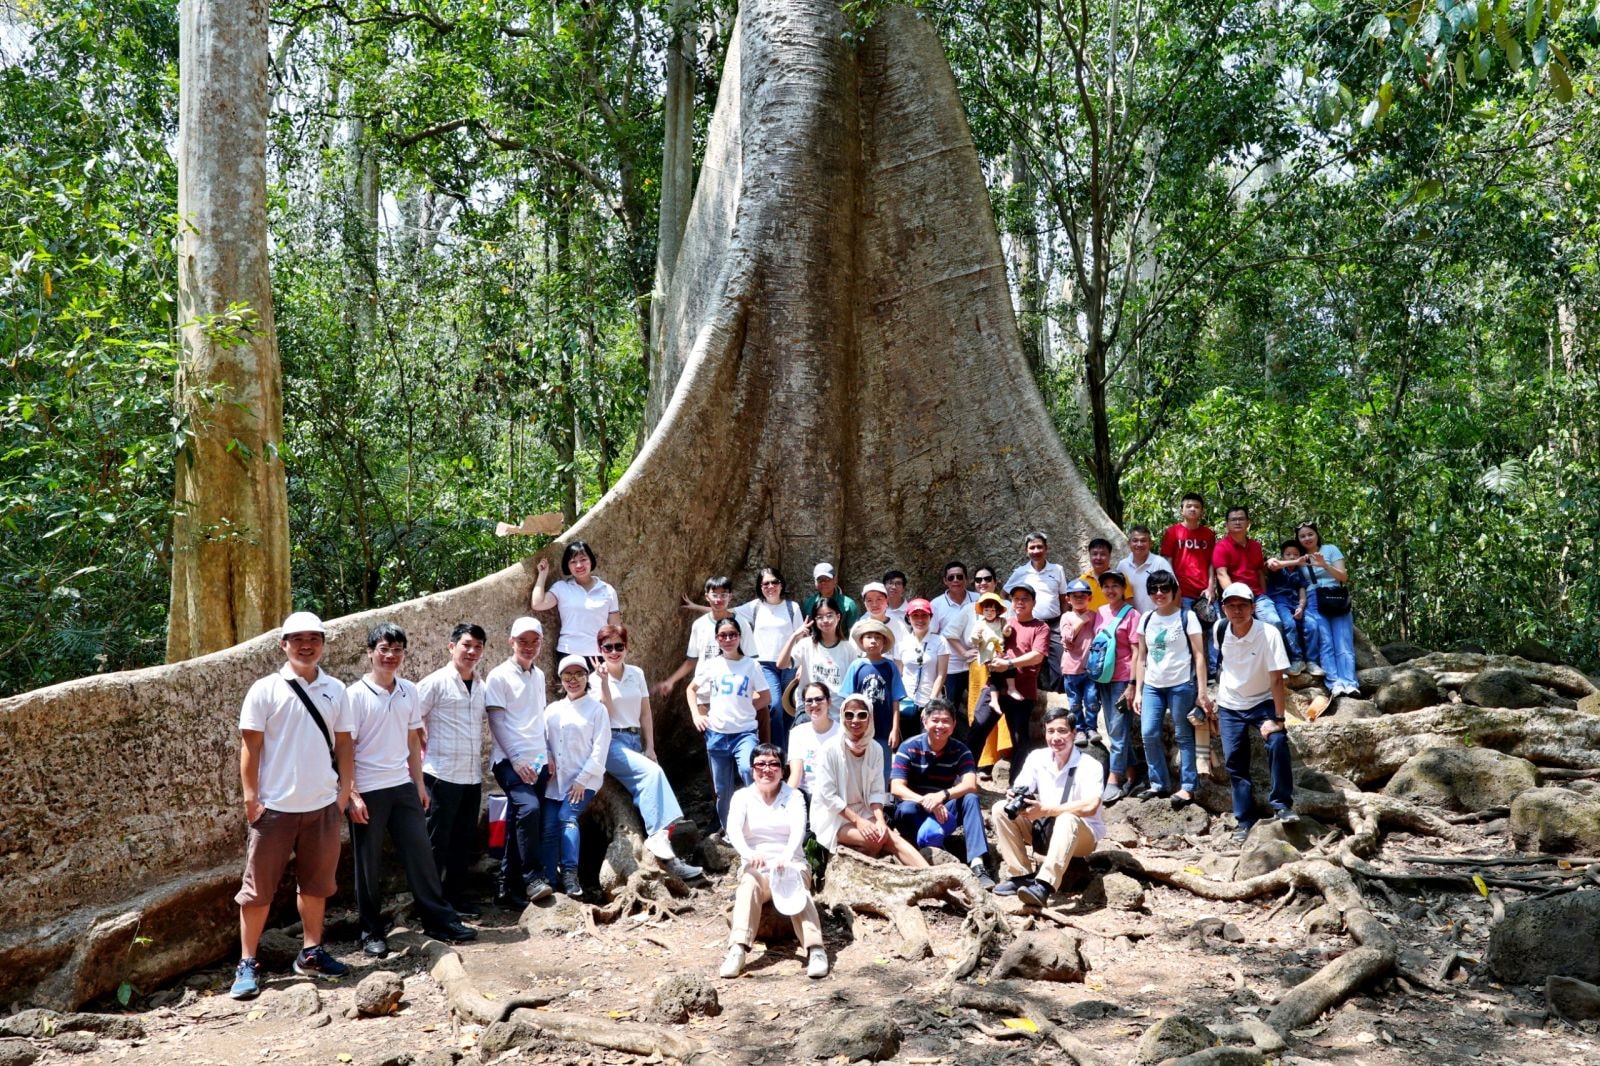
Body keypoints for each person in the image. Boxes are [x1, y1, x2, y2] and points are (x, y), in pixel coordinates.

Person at [231, 612, 354, 1000]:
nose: (306, 645)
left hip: (321, 806)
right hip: (275, 808)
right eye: (296, 638)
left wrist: (344, 791)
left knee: (317, 885)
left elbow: (345, 743)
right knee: (258, 890)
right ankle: (247, 962)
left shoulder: (336, 689)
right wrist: (251, 798)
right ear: (283, 644)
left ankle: (311, 951)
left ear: (322, 643)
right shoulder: (265, 689)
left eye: (313, 638)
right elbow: (250, 747)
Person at [349, 622, 477, 958]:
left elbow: (411, 741)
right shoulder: (355, 695)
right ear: (370, 653)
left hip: (402, 785)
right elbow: (343, 747)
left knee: (421, 854)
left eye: (397, 650)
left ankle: (437, 919)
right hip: (368, 788)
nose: (390, 656)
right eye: (384, 649)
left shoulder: (408, 691)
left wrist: (419, 785)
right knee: (368, 863)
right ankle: (370, 931)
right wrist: (350, 792)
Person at [590, 623, 703, 880]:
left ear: (627, 648)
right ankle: (658, 835)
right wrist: (605, 681)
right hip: (610, 742)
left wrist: (649, 746)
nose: (614, 651)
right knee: (652, 774)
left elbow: (645, 713)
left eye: (619, 646)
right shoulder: (595, 678)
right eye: (608, 647)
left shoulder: (636, 673)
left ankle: (670, 862)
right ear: (600, 649)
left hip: (632, 740)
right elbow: (604, 714)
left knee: (652, 782)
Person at [720, 744, 828, 979]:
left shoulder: (794, 796)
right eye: (760, 764)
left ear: (782, 769)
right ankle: (737, 949)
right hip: (757, 866)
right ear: (752, 769)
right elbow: (733, 830)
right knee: (748, 883)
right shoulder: (742, 797)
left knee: (794, 882)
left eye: (773, 764)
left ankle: (815, 949)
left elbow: (798, 830)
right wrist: (749, 854)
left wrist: (786, 857)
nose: (766, 769)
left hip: (791, 863)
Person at [991, 707, 1106, 909]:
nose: (1055, 737)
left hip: (1082, 835)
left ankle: (1044, 885)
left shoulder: (1090, 765)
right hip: (1043, 826)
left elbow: (1090, 805)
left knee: (1067, 818)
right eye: (1050, 731)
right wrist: (1015, 795)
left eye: (1062, 731)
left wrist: (1046, 810)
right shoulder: (1037, 757)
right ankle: (1021, 875)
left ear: (1073, 732)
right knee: (1001, 808)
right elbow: (1022, 786)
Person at [1212, 582, 1296, 842]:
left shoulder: (1268, 633)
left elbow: (1277, 680)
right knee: (1234, 761)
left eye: (1243, 605)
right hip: (1230, 703)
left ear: (1252, 607)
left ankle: (1282, 804)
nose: (1237, 610)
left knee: (1277, 742)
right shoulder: (1220, 628)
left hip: (1262, 701)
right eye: (1231, 605)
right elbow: (1223, 663)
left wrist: (1279, 719)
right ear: (1224, 607)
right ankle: (1244, 820)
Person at [483, 617, 556, 908]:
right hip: (509, 761)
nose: (528, 647)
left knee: (519, 820)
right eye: (522, 641)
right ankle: (533, 878)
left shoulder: (538, 675)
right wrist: (515, 759)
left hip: (538, 759)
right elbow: (496, 720)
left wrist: (548, 753)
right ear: (510, 641)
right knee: (529, 809)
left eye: (534, 641)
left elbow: (539, 718)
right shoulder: (499, 675)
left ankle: (505, 889)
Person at [418, 623, 489, 915]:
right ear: (451, 647)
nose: (472, 651)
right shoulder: (435, 682)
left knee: (463, 841)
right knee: (436, 843)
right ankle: (431, 905)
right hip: (440, 774)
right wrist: (421, 743)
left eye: (478, 647)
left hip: (471, 776)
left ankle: (456, 897)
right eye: (466, 645)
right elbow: (410, 717)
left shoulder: (482, 686)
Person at [811, 694, 927, 866]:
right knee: (876, 839)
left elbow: (876, 791)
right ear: (842, 717)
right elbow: (828, 796)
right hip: (834, 816)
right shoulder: (830, 749)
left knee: (888, 836)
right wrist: (859, 822)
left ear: (870, 717)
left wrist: (880, 820)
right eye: (849, 715)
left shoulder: (876, 749)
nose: (855, 720)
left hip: (864, 810)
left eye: (861, 715)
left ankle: (933, 876)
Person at [889, 699, 994, 887]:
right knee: (906, 809)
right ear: (925, 721)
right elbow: (896, 787)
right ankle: (919, 852)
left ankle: (978, 864)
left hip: (944, 809)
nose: (940, 725)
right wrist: (927, 801)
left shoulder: (961, 751)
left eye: (946, 721)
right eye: (935, 720)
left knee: (970, 799)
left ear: (954, 725)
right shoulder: (909, 747)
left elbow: (970, 784)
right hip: (915, 808)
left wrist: (942, 796)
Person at [1130, 572, 1208, 808]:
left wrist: (1202, 691)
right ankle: (1158, 783)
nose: (1159, 594)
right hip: (1153, 685)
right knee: (1149, 733)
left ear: (1174, 591)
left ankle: (1187, 787)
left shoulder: (1187, 616)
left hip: (1181, 684)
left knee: (1184, 735)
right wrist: (1139, 691)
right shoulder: (1145, 618)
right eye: (1154, 589)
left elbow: (1199, 655)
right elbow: (1142, 657)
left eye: (1164, 589)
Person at [692, 617, 771, 830]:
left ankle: (757, 821)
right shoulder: (712, 665)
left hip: (744, 733)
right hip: (717, 734)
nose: (728, 639)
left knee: (748, 770)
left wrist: (745, 707)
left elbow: (766, 697)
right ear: (717, 639)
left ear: (740, 637)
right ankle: (728, 829)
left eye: (732, 635)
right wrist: (696, 716)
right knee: (722, 788)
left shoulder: (751, 665)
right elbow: (691, 689)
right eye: (723, 635)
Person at [541, 656, 612, 896]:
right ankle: (549, 879)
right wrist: (547, 756)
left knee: (567, 817)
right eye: (567, 675)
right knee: (549, 827)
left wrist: (582, 779)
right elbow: (543, 741)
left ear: (586, 677)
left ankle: (571, 876)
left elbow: (601, 748)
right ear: (560, 679)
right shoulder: (552, 709)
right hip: (554, 782)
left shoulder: (596, 709)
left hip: (584, 781)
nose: (573, 680)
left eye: (579, 674)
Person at [967, 582, 1050, 771]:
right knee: (977, 730)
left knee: (1020, 739)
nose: (1020, 602)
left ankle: (1016, 787)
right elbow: (982, 639)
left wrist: (1009, 664)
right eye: (1016, 599)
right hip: (994, 686)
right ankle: (966, 779)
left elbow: (1037, 655)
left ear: (1034, 602)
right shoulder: (1003, 622)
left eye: (1025, 599)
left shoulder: (1040, 627)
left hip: (1022, 690)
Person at [732, 567, 805, 751]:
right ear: (760, 586)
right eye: (765, 583)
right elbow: (724, 611)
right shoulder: (755, 606)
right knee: (774, 707)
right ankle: (777, 753)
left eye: (774, 582)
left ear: (781, 584)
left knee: (790, 709)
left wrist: (802, 665)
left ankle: (790, 754)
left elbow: (801, 637)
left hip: (789, 664)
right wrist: (696, 607)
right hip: (764, 665)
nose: (770, 586)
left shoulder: (792, 607)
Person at [653, 576, 755, 706]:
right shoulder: (699, 625)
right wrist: (670, 681)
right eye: (714, 595)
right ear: (707, 596)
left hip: (735, 694)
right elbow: (692, 661)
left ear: (730, 596)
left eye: (723, 595)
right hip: (705, 694)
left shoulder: (741, 623)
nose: (719, 599)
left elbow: (752, 660)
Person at [1294, 522, 1360, 699]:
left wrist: (1324, 565)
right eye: (1302, 536)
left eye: (1310, 534)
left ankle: (1350, 683)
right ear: (1298, 540)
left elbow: (1343, 577)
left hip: (1336, 597)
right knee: (1326, 642)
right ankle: (1334, 683)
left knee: (1343, 641)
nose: (1307, 538)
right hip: (1314, 599)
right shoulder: (1300, 558)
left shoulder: (1330, 549)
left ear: (1316, 534)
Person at [1092, 572, 1142, 804]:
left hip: (1123, 679)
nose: (1111, 590)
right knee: (1116, 729)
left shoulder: (1132, 615)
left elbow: (1136, 653)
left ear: (1124, 589)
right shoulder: (1100, 612)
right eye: (1106, 586)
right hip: (1104, 678)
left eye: (1115, 586)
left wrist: (1132, 685)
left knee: (1117, 729)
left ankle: (1114, 779)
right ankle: (1134, 775)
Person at [529, 541, 620, 657]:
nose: (579, 565)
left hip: (600, 654)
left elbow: (615, 628)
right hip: (568, 653)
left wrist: (614, 655)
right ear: (567, 566)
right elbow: (537, 604)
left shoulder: (607, 590)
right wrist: (542, 575)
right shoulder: (562, 587)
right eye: (573, 562)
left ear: (591, 560)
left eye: (583, 560)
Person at [841, 617, 906, 777]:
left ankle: (882, 798)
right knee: (858, 765)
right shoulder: (857, 666)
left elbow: (895, 700)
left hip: (884, 728)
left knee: (883, 766)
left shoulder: (890, 666)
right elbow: (847, 701)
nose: (873, 641)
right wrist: (847, 728)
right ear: (861, 641)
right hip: (859, 728)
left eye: (878, 637)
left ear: (884, 643)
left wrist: (895, 729)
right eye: (869, 637)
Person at [1006, 531, 1070, 692]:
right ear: (1026, 550)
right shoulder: (1021, 572)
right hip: (1030, 625)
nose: (1036, 551)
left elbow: (1063, 599)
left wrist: (1064, 623)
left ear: (1046, 548)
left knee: (1060, 665)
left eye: (1039, 547)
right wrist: (1013, 617)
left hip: (1055, 624)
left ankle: (1058, 702)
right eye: (1032, 548)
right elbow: (1005, 594)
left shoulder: (1057, 570)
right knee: (1029, 666)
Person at [1160, 492, 1219, 664]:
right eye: (1189, 506)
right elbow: (1167, 561)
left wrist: (1210, 587)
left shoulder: (1208, 534)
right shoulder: (1172, 532)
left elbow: (1211, 563)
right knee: (1185, 630)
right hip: (1181, 592)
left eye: (1197, 507)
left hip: (1203, 593)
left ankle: (1216, 670)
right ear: (1182, 510)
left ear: (1202, 511)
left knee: (1214, 628)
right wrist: (1173, 588)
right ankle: (1189, 670)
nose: (1193, 509)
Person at [1211, 506, 1284, 640]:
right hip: (1236, 597)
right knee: (1241, 630)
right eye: (1233, 520)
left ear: (1248, 523)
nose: (1237, 522)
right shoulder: (1221, 547)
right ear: (1227, 525)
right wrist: (1237, 597)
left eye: (1241, 519)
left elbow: (1260, 572)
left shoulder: (1255, 546)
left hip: (1257, 595)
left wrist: (1263, 593)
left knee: (1274, 623)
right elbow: (1222, 574)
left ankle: (1276, 659)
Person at [777, 601, 853, 720]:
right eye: (820, 617)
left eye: (829, 615)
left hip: (837, 713)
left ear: (838, 617)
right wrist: (794, 636)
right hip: (809, 710)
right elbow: (781, 664)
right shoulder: (806, 645)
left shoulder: (848, 648)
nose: (825, 620)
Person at [893, 598, 948, 742]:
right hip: (907, 701)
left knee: (930, 743)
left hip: (931, 700)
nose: (920, 619)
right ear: (908, 618)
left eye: (924, 615)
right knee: (908, 743)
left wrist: (931, 703)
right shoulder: (902, 643)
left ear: (930, 617)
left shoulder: (940, 642)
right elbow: (898, 674)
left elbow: (941, 675)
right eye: (915, 615)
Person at [1266, 540, 1321, 676]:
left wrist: (1301, 607)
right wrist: (1297, 561)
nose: (1291, 557)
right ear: (1283, 555)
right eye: (1288, 554)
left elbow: (1302, 592)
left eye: (1295, 555)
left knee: (1312, 625)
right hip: (1280, 602)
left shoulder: (1299, 573)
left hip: (1295, 603)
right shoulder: (1278, 568)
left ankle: (1312, 661)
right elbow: (1273, 565)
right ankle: (1297, 659)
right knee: (1289, 624)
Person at [930, 560, 978, 712]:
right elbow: (933, 635)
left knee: (980, 709)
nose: (955, 580)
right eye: (951, 578)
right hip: (951, 667)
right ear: (945, 581)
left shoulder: (978, 600)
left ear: (967, 579)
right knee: (949, 709)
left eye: (959, 576)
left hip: (976, 663)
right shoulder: (936, 604)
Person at [1058, 579, 1098, 743]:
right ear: (1068, 599)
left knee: (1092, 700)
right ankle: (1079, 729)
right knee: (1074, 703)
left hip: (1090, 668)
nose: (1079, 599)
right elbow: (1067, 638)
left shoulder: (1095, 616)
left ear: (1090, 598)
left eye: (1083, 595)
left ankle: (1092, 728)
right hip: (1071, 669)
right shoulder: (1066, 617)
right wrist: (1081, 621)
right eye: (1075, 596)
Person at [787, 682, 841, 802]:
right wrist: (784, 800)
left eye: (819, 699)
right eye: (809, 701)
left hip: (834, 796)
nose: (814, 704)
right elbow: (796, 775)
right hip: (806, 796)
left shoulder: (842, 733)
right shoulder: (797, 733)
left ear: (829, 701)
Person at [1117, 525, 1175, 615]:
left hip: (1157, 620)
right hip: (1131, 621)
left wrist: (1171, 617)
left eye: (1143, 540)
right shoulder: (1122, 565)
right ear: (1129, 543)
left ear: (1150, 543)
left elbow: (1176, 590)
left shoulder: (1160, 563)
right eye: (1135, 540)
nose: (1139, 544)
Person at [801, 562, 862, 635]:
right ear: (815, 582)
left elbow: (854, 633)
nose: (823, 583)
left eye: (827, 579)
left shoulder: (848, 605)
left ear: (835, 580)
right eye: (820, 580)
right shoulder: (808, 604)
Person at [1078, 538, 1116, 611]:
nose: (1098, 558)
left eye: (1103, 554)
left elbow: (1128, 608)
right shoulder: (1082, 581)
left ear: (1110, 556)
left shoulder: (1120, 579)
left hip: (1113, 622)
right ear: (1089, 555)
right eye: (1095, 554)